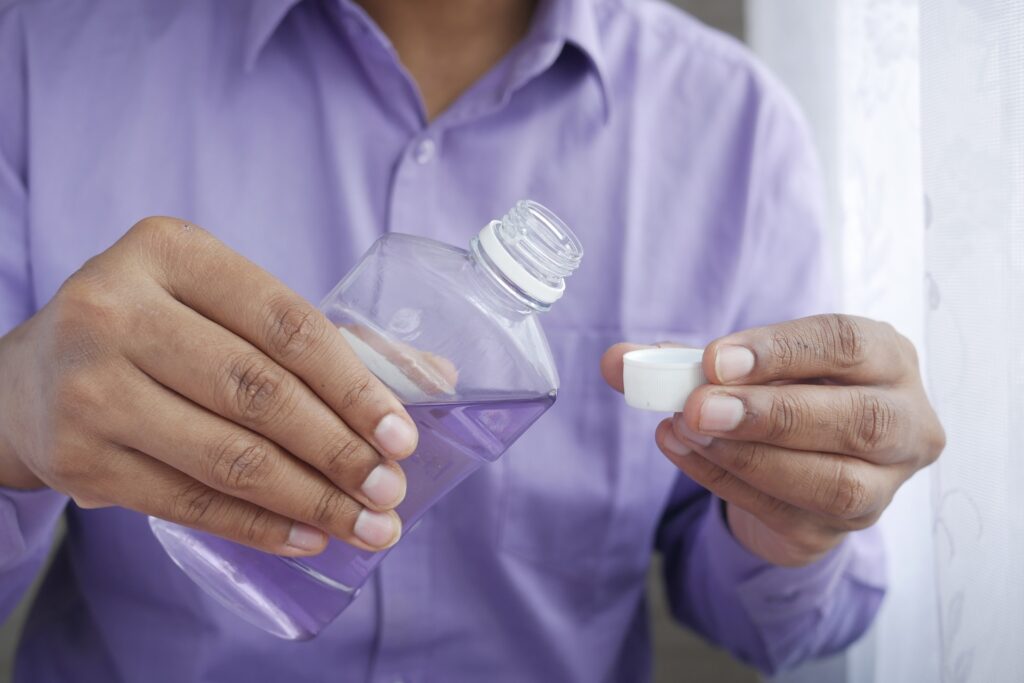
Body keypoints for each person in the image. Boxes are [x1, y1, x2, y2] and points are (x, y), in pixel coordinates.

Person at [0, 0, 945, 680]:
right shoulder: (40, 47)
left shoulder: (735, 130)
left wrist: (793, 518)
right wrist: (10, 423)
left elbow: (771, 628)